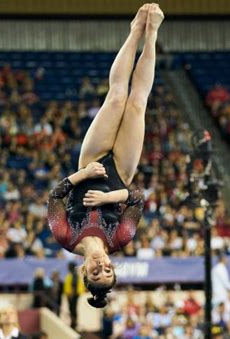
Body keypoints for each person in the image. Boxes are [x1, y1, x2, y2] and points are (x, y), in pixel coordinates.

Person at [48, 4, 164, 308]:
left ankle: (134, 30)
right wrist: (107, 199)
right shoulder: (119, 238)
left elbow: (54, 197)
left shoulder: (66, 237)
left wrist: (84, 175)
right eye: (108, 270)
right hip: (122, 171)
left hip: (91, 161)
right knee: (137, 102)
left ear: (84, 271)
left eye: (96, 273)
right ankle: (151, 34)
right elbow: (137, 197)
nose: (102, 265)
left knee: (115, 98)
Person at [63, 262, 86, 330]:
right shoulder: (73, 274)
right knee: (72, 309)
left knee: (73, 309)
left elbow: (74, 285)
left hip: (73, 295)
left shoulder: (73, 274)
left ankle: (74, 324)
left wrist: (71, 294)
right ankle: (73, 323)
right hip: (72, 294)